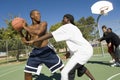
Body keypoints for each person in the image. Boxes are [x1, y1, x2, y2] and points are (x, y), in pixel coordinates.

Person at [25, 14, 95, 80]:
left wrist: (35, 40)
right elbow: (76, 42)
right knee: (80, 67)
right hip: (85, 50)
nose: (62, 20)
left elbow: (51, 34)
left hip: (82, 52)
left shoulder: (66, 27)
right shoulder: (75, 28)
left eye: (63, 18)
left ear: (68, 20)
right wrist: (69, 53)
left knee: (66, 72)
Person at [19, 9, 64, 80]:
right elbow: (26, 43)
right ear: (32, 16)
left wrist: (24, 27)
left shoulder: (43, 23)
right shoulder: (29, 28)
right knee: (27, 72)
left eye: (39, 14)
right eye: (37, 14)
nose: (39, 15)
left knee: (62, 68)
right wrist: (20, 32)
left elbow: (39, 32)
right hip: (36, 52)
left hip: (46, 50)